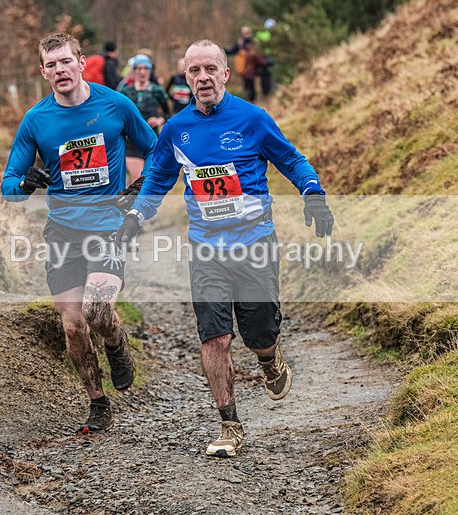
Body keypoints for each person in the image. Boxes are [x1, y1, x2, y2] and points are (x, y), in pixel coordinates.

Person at [116, 39, 334, 457]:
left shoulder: (252, 119)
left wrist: (313, 193)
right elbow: (157, 180)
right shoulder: (177, 129)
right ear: (186, 77)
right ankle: (229, 425)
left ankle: (270, 359)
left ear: (225, 74)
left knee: (259, 333)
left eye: (209, 69)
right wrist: (135, 217)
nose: (202, 78)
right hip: (206, 249)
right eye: (193, 71)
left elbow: (292, 159)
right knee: (215, 337)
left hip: (254, 244)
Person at [2, 32, 157, 434]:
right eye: (51, 65)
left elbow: (157, 152)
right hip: (62, 234)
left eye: (65, 62)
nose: (59, 70)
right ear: (43, 72)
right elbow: (9, 186)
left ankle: (116, 343)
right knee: (72, 324)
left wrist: (140, 189)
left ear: (81, 62)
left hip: (107, 228)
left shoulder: (115, 105)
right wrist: (26, 183)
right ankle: (97, 403)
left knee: (98, 311)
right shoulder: (37, 120)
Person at [119, 54, 170, 181]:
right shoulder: (126, 91)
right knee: (137, 180)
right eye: (139, 68)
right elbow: (118, 115)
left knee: (149, 181)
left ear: (150, 71)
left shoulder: (157, 90)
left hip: (151, 141)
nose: (142, 72)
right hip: (131, 142)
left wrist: (159, 120)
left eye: (146, 69)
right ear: (134, 70)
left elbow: (168, 114)